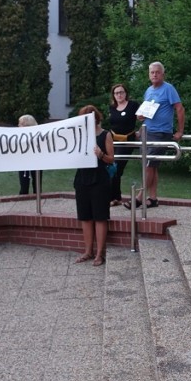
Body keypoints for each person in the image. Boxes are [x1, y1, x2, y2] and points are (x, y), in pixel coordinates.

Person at [124, 61, 185, 209]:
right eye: (152, 72)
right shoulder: (149, 90)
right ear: (148, 74)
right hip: (147, 132)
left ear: (162, 74)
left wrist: (180, 131)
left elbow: (179, 109)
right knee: (151, 166)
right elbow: (147, 111)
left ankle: (139, 197)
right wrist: (141, 118)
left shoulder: (168, 89)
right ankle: (153, 198)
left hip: (161, 133)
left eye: (157, 72)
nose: (154, 75)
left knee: (149, 166)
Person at [74, 105, 114, 267]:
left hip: (99, 179)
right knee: (85, 217)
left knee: (100, 216)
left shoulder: (106, 135)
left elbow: (111, 159)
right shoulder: (79, 135)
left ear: (96, 118)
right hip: (82, 179)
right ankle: (88, 251)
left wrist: (101, 155)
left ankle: (99, 254)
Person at [108, 83, 139, 206]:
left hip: (127, 140)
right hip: (113, 140)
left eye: (121, 92)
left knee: (118, 166)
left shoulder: (133, 105)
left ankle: (113, 197)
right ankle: (115, 197)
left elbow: (144, 117)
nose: (119, 95)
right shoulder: (112, 108)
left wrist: (141, 130)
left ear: (125, 93)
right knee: (111, 167)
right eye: (116, 93)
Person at [17, 114, 43, 195]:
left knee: (37, 186)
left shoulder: (38, 135)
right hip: (22, 162)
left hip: (37, 161)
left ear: (27, 125)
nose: (18, 125)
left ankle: (38, 200)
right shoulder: (17, 136)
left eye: (20, 123)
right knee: (24, 186)